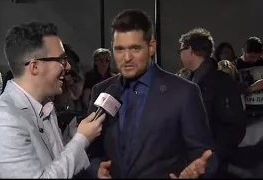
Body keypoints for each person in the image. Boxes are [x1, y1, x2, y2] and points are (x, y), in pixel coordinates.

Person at [86, 9, 217, 178]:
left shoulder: (184, 93)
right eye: (119, 49)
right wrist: (96, 168)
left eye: (135, 48)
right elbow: (89, 151)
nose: (126, 58)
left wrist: (199, 172)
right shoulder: (101, 90)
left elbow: (205, 157)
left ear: (151, 47)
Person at [0, 21, 106, 178]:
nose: (68, 67)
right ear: (35, 67)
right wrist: (81, 139)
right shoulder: (1, 121)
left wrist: (72, 138)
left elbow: (53, 162)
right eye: (61, 59)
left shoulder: (44, 107)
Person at [179, 28, 246, 178]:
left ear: (190, 50)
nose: (180, 54)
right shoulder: (188, 81)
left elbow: (234, 127)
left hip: (211, 165)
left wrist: (213, 156)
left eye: (181, 49)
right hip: (190, 162)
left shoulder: (221, 82)